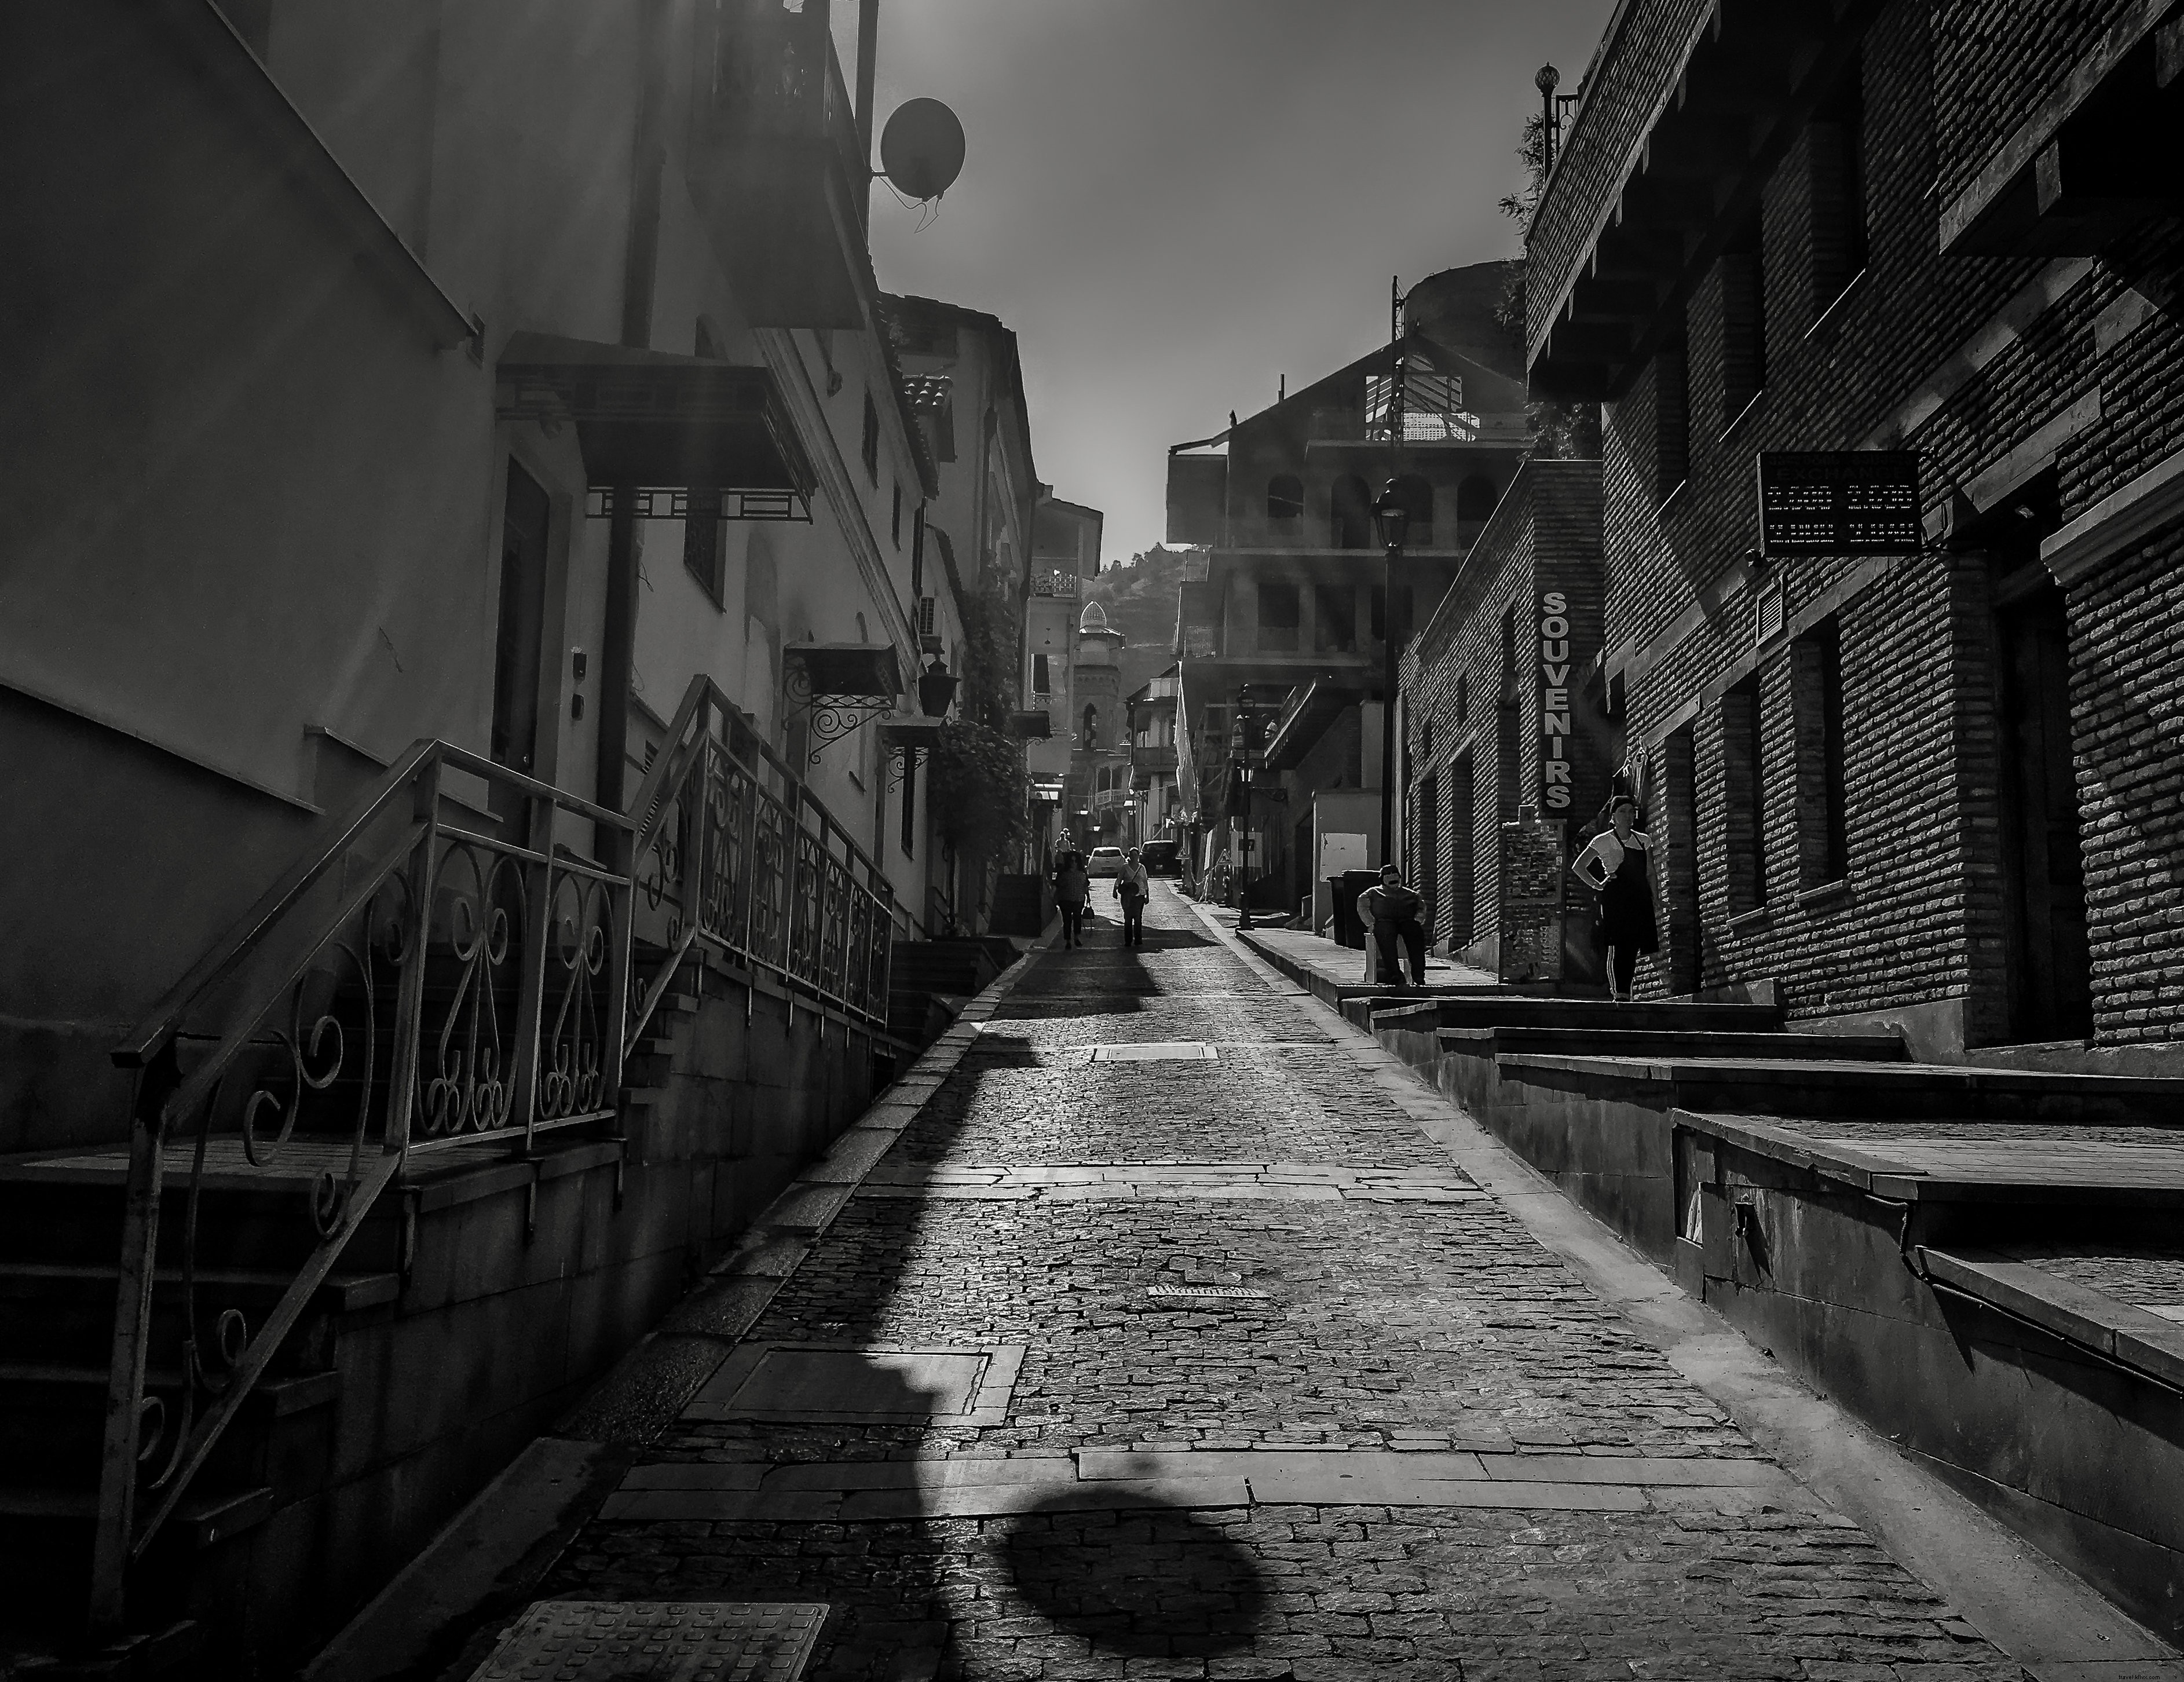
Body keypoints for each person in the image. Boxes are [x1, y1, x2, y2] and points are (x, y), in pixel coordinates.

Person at [1571, 794, 1658, 1001]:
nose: (1628, 816)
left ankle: (1627, 989)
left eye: (1631, 811)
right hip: (1616, 898)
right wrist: (1598, 886)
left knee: (1636, 942)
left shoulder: (1643, 840)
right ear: (1613, 817)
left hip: (1639, 897)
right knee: (1619, 942)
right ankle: (1619, 993)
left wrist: (1656, 897)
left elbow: (1650, 872)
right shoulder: (1602, 841)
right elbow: (1579, 867)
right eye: (1622, 812)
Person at [1361, 863, 1429, 986]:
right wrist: (1370, 922)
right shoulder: (1373, 892)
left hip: (1407, 921)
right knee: (1386, 936)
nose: (1392, 877)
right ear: (1383, 878)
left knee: (1416, 933)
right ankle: (1394, 974)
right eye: (1388, 875)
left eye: (1394, 874)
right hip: (1384, 922)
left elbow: (1421, 907)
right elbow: (1362, 905)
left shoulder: (1411, 894)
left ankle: (1419, 975)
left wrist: (1418, 919)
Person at [1052, 847, 1091, 949]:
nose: (1074, 863)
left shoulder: (1082, 873)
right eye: (1072, 861)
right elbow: (1058, 885)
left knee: (1077, 919)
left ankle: (1077, 937)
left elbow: (1086, 886)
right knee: (1067, 920)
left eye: (1075, 861)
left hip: (1079, 899)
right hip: (1066, 900)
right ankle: (1068, 941)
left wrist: (1088, 897)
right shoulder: (1063, 873)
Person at [1113, 846, 1151, 947]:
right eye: (1132, 855)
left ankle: (1138, 940)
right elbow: (1119, 879)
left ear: (1138, 856)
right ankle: (1128, 940)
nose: (1134, 857)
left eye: (1136, 855)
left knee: (1138, 918)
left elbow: (1145, 882)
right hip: (1128, 897)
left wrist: (1148, 895)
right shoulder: (1125, 867)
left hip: (1140, 896)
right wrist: (1115, 890)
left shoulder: (1142, 868)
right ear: (1129, 856)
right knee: (1128, 918)